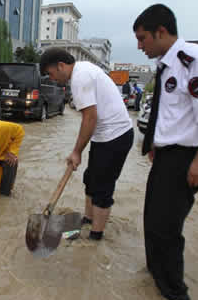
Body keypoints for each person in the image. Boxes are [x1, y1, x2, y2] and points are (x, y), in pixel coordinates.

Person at [133, 4, 198, 300]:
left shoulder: (195, 60)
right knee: (151, 219)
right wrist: (156, 145)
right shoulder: (165, 65)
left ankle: (174, 293)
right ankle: (155, 273)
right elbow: (172, 113)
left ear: (161, 31)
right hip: (165, 156)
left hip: (186, 157)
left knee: (167, 227)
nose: (139, 45)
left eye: (143, 38)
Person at [40, 48, 134, 240]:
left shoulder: (80, 78)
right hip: (103, 136)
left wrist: (76, 151)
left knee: (102, 187)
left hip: (115, 136)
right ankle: (88, 220)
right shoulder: (83, 69)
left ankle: (95, 237)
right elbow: (91, 120)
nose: (52, 79)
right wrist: (79, 151)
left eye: (51, 74)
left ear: (61, 66)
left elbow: (90, 118)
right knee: (91, 179)